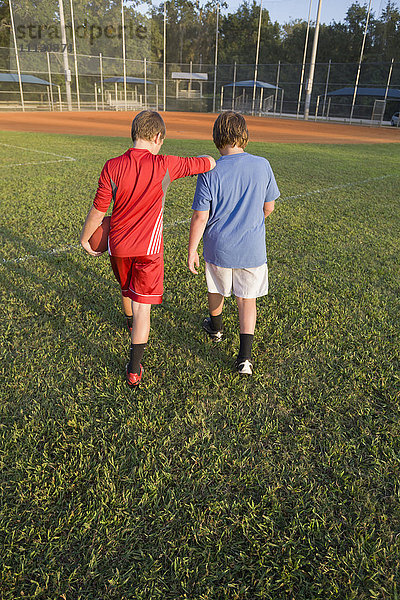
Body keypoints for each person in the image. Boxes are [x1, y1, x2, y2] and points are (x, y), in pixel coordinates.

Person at [81, 110, 215, 387]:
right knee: (144, 309)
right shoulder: (166, 164)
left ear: (134, 134)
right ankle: (133, 369)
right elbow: (206, 163)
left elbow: (98, 210)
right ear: (157, 137)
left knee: (125, 288)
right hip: (149, 250)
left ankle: (128, 322)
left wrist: (85, 238)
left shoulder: (112, 166)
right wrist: (213, 160)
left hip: (118, 246)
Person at [187, 111, 280, 375]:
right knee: (246, 300)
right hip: (251, 249)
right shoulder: (262, 164)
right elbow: (269, 207)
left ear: (217, 137)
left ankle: (216, 329)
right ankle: (245, 359)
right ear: (244, 136)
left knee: (216, 288)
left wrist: (193, 248)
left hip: (219, 246)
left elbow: (200, 215)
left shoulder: (210, 171)